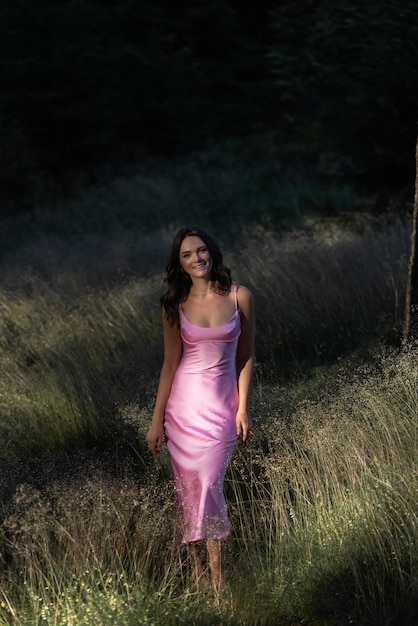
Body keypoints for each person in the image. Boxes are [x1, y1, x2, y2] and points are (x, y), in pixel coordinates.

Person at [146, 226, 255, 592]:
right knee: (187, 493)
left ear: (213, 252)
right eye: (187, 255)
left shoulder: (241, 296)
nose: (197, 259)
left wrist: (242, 408)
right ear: (179, 264)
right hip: (182, 411)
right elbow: (169, 364)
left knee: (211, 485)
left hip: (222, 410)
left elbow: (246, 355)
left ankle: (219, 583)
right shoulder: (172, 306)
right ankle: (197, 579)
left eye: (202, 250)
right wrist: (156, 421)